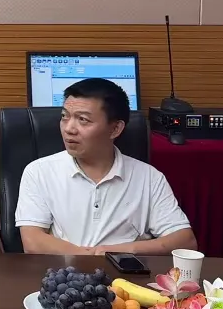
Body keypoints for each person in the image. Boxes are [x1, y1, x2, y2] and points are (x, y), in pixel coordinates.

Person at [16, 78, 197, 255]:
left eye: (83, 119)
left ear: (115, 129)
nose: (69, 128)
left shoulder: (149, 177)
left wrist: (115, 252)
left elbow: (185, 241)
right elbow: (32, 241)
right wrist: (89, 257)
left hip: (125, 272)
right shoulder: (39, 171)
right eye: (65, 117)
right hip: (63, 272)